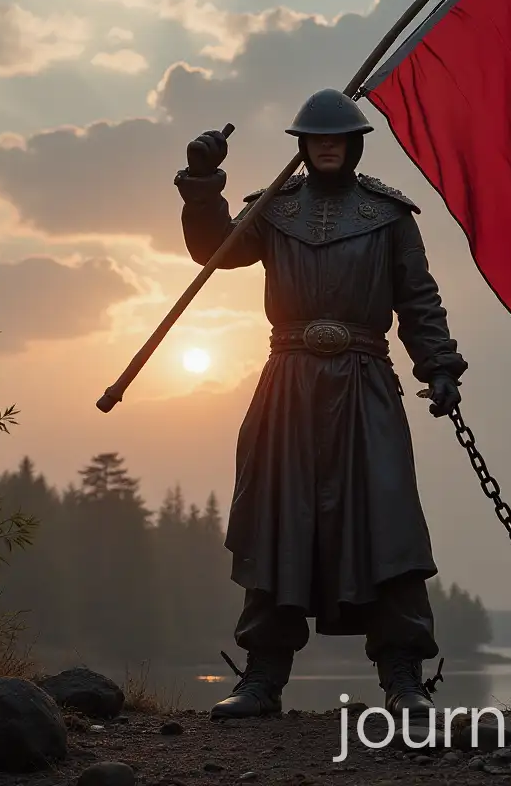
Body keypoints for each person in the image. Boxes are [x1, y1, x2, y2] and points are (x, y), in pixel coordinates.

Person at [173, 88, 467, 721]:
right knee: (276, 520)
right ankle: (262, 680)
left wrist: (438, 365)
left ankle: (403, 677)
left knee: (386, 524)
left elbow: (418, 300)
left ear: (355, 144)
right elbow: (212, 250)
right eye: (316, 138)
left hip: (366, 384)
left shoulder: (391, 217)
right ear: (302, 146)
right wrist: (201, 183)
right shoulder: (272, 212)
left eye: (337, 138)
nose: (327, 146)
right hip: (288, 386)